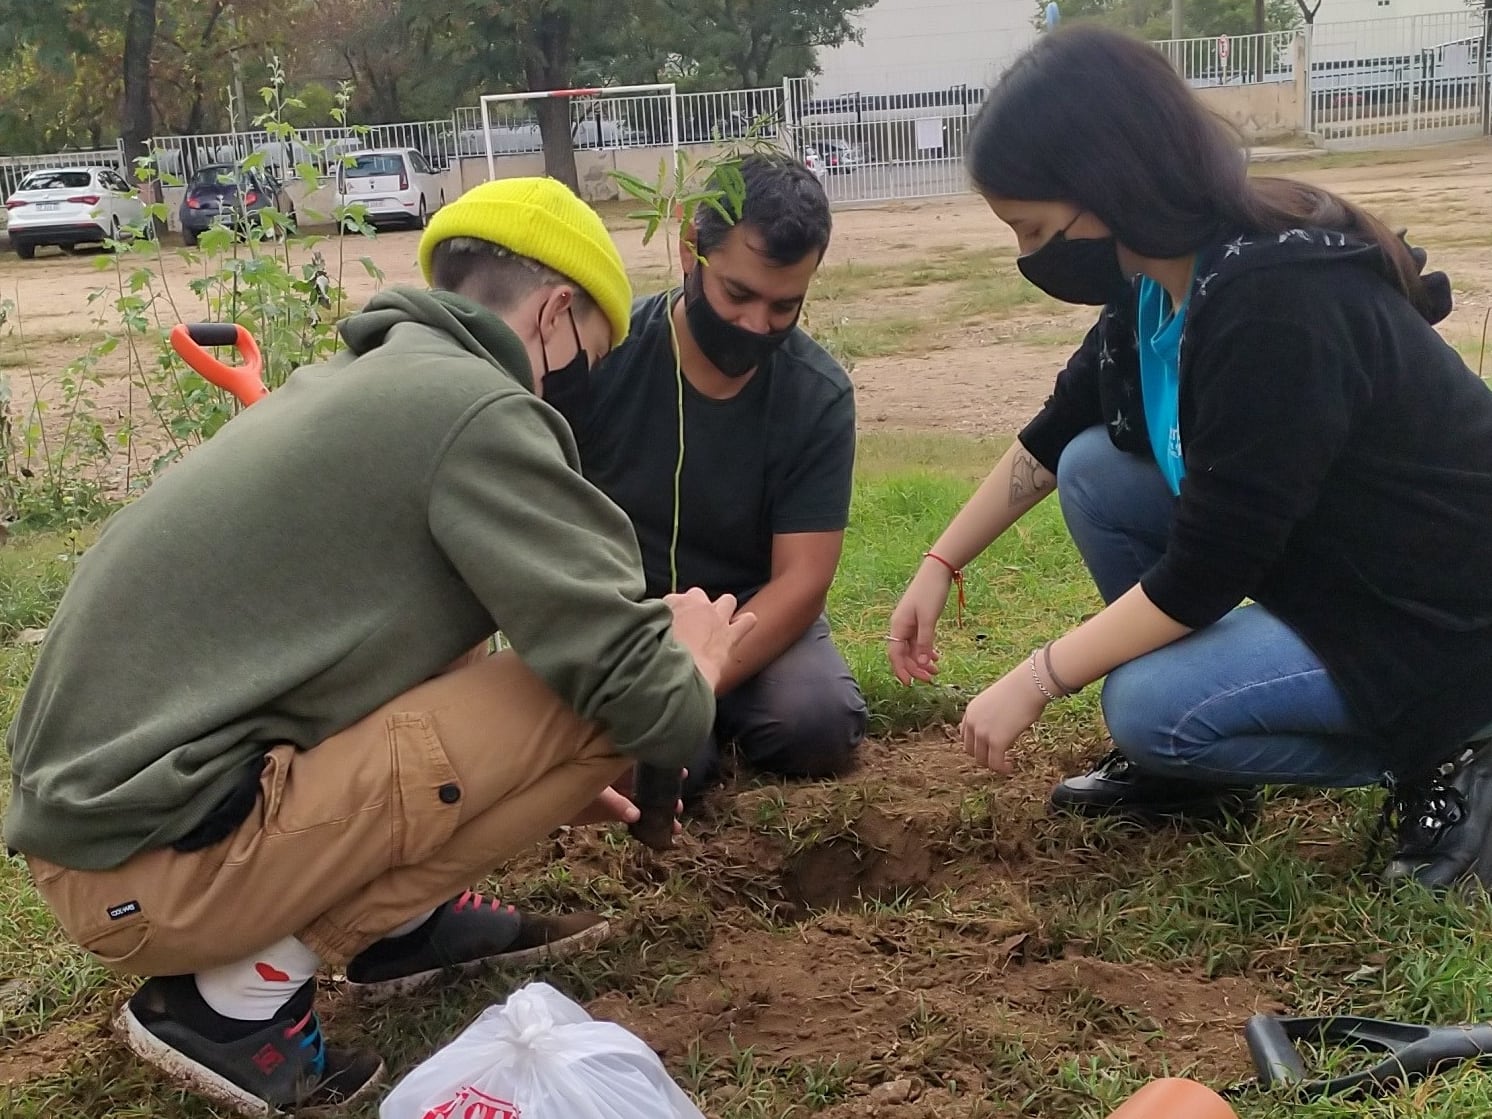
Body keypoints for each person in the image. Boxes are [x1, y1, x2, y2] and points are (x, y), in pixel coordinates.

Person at [3, 177, 755, 1116]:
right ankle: (234, 1004)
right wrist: (696, 658)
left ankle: (405, 921)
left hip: (103, 850)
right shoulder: (476, 409)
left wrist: (500, 781)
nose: (582, 383)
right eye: (588, 358)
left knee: (526, 688)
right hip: (160, 874)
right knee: (590, 704)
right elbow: (638, 690)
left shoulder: (368, 384)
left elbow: (400, 656)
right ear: (557, 313)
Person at [886, 26, 1492, 888]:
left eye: (1032, 227)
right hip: (1329, 560)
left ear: (1104, 184)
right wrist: (940, 561)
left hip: (1432, 606)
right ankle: (1202, 782)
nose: (1029, 257)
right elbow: (1058, 431)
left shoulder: (1270, 302)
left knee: (1149, 708)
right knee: (1098, 468)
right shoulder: (1161, 279)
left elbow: (1208, 568)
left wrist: (1036, 677)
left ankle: (1453, 743)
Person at [554, 153, 867, 803]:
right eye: (739, 294)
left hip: (753, 618)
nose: (757, 324)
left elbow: (802, 579)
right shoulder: (604, 357)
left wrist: (699, 673)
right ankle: (692, 731)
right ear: (690, 250)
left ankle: (712, 712)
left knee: (816, 723)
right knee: (649, 768)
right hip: (624, 619)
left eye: (786, 306)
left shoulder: (818, 396)